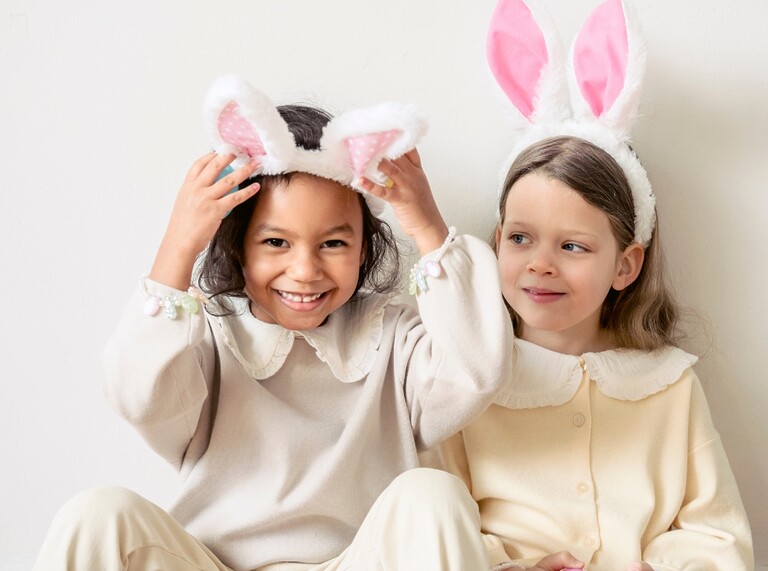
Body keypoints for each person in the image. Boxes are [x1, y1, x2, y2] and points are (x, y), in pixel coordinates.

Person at [33, 76, 523, 571]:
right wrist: (178, 247)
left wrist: (427, 226)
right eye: (275, 243)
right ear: (237, 247)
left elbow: (476, 372)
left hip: (360, 561)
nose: (305, 270)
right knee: (97, 514)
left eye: (333, 243)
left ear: (364, 247)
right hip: (212, 563)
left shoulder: (392, 336)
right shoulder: (206, 337)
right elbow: (137, 396)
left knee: (433, 493)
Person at [430, 1, 754, 570]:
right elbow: (433, 522)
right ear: (498, 239)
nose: (541, 265)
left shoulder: (669, 386)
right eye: (522, 239)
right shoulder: (465, 382)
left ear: (625, 266)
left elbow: (717, 534)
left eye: (573, 246)